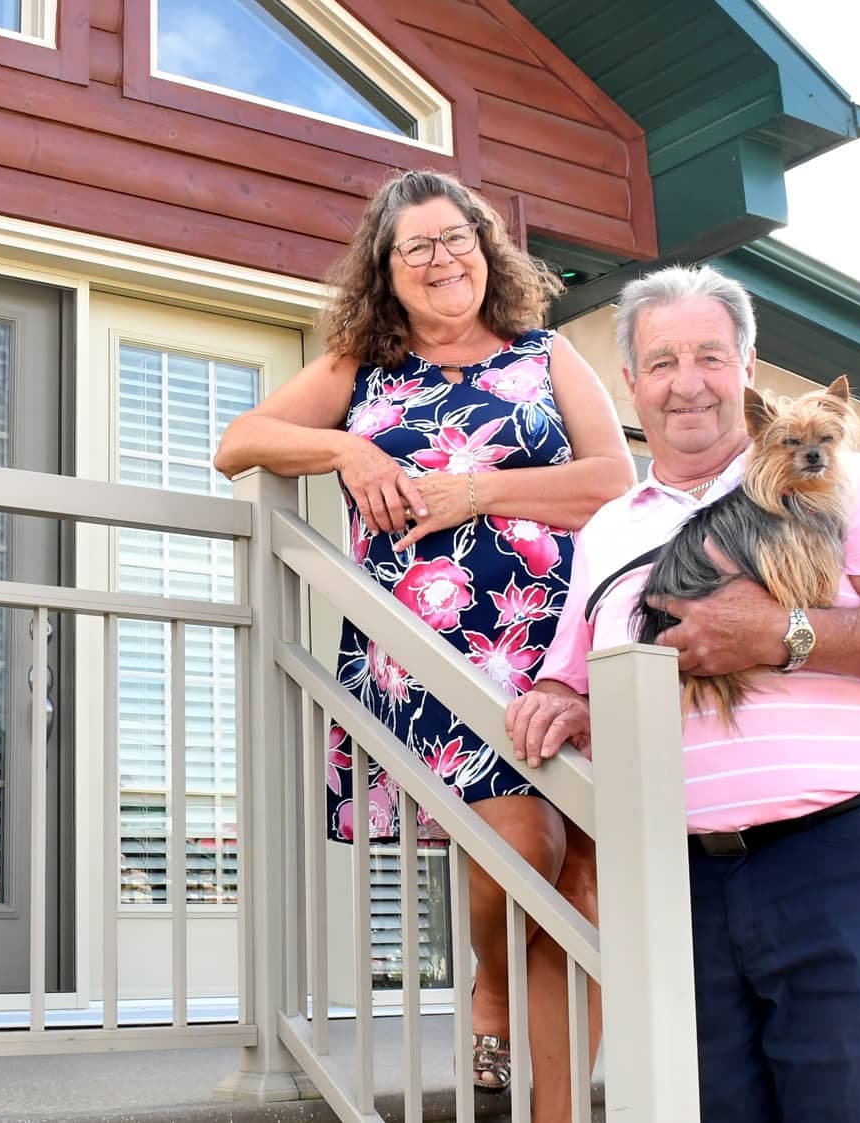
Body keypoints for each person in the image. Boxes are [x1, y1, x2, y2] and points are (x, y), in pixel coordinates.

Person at [507, 264, 860, 1123]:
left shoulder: (831, 476)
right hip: (670, 882)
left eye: (710, 356)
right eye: (662, 361)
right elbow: (572, 674)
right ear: (631, 383)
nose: (687, 382)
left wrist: (783, 634)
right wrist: (563, 701)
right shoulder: (608, 527)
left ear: (748, 368)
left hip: (835, 857)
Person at [215, 169, 635, 1115]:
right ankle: (489, 983)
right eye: (419, 248)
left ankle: (558, 1109)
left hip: (557, 651)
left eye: (458, 239)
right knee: (522, 846)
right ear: (388, 271)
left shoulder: (543, 354)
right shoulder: (362, 368)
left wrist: (475, 491)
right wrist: (348, 450)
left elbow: (614, 478)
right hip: (428, 654)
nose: (444, 260)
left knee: (585, 880)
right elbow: (239, 441)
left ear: (486, 251)